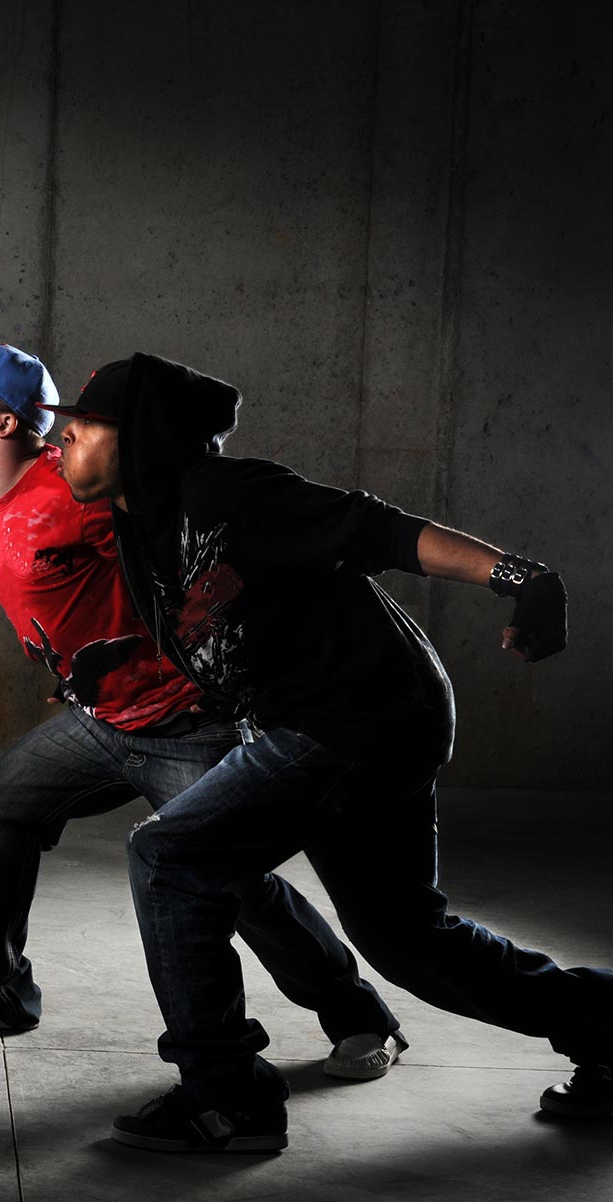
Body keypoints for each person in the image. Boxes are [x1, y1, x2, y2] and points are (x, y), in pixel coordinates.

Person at [45, 351, 612, 1151]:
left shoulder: (228, 493)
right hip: (346, 717)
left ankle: (226, 1099)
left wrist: (522, 577)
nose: (64, 434)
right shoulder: (141, 527)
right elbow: (218, 631)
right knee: (409, 943)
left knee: (169, 855)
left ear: (140, 435)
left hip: (360, 714)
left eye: (85, 422)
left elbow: (376, 528)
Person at [0, 344, 404, 1079]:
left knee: (229, 879)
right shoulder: (3, 497)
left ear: (5, 423)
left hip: (183, 723)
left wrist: (210, 647)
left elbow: (176, 545)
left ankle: (361, 1018)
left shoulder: (72, 492)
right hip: (102, 721)